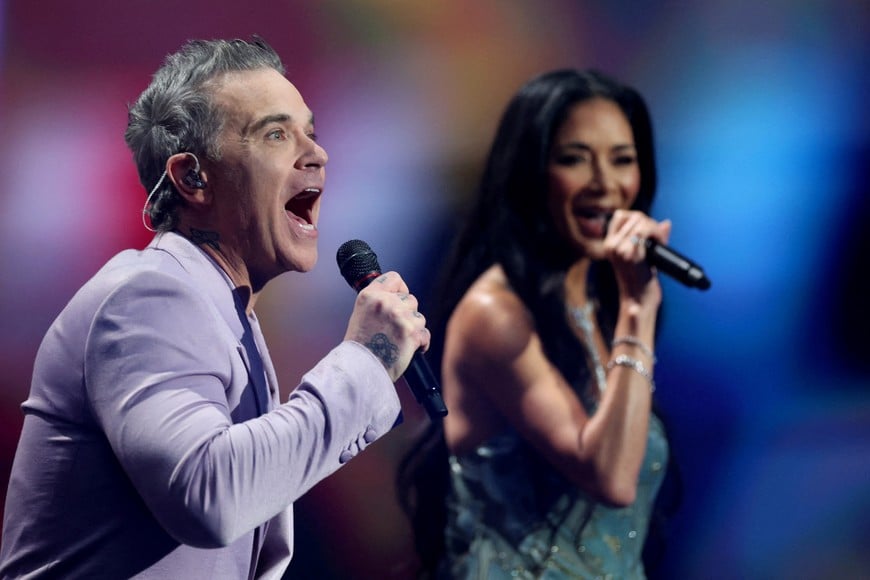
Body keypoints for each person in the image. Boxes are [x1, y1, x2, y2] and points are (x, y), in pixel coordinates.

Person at [0, 37, 430, 578]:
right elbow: (210, 495)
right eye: (276, 134)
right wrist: (366, 360)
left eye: (311, 134)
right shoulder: (148, 296)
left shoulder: (223, 310)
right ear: (192, 177)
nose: (316, 154)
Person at [397, 69, 679, 579]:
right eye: (575, 158)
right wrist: (639, 308)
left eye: (622, 160)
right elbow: (610, 476)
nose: (606, 184)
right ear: (531, 174)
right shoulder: (496, 314)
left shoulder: (597, 307)